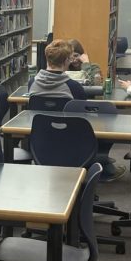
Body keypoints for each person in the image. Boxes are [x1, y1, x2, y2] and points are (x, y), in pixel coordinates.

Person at [30, 39, 125, 181]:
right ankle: (100, 164)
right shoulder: (73, 87)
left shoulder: (33, 83)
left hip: (42, 141)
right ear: (67, 61)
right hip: (71, 141)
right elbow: (83, 114)